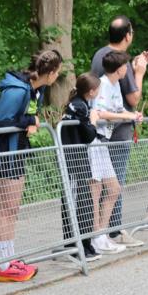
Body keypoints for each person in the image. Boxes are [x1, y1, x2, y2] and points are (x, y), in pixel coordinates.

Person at [0, 49, 62, 282]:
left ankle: (9, 259)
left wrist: (30, 121)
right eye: (58, 73)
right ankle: (3, 266)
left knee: (12, 208)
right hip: (4, 153)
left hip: (17, 151)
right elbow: (1, 122)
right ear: (52, 72)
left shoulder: (36, 90)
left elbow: (27, 115)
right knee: (5, 208)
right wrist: (29, 121)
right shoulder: (17, 89)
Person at [90, 16, 148, 250]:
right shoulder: (118, 63)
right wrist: (140, 72)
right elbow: (133, 99)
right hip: (116, 132)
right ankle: (113, 231)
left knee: (102, 183)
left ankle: (103, 233)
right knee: (115, 181)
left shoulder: (99, 55)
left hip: (103, 131)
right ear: (128, 36)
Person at [60, 72, 103, 261]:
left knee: (80, 202)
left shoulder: (78, 103)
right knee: (77, 202)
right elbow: (89, 135)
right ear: (92, 91)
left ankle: (84, 244)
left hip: (75, 160)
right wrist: (93, 121)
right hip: (73, 161)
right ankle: (76, 246)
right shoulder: (81, 107)